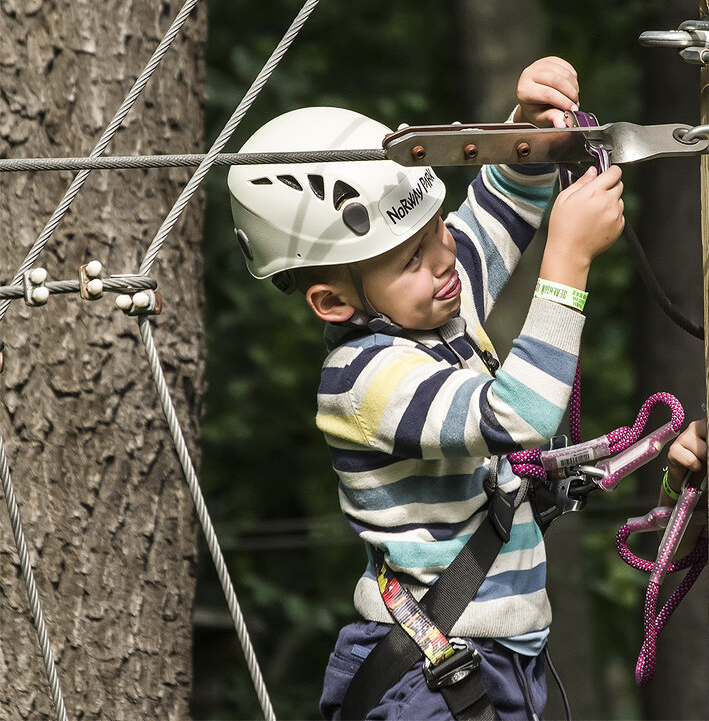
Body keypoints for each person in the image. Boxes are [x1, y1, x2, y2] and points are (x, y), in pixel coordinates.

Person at [227, 56, 642, 719]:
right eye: (411, 256)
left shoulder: (440, 296)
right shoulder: (362, 382)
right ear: (333, 301)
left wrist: (528, 132)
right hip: (431, 673)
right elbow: (519, 416)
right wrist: (567, 262)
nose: (445, 256)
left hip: (496, 660)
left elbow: (502, 203)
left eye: (437, 227)